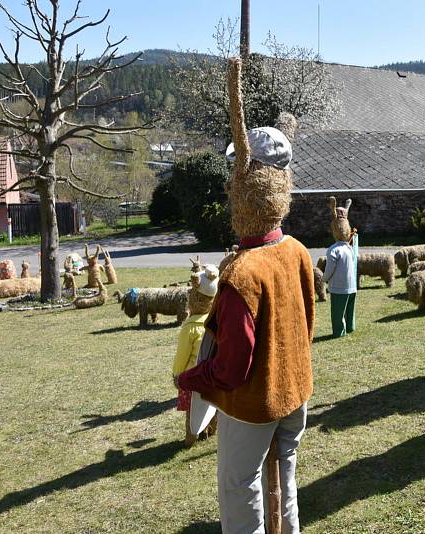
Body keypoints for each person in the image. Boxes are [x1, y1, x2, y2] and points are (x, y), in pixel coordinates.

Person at [177, 57, 314, 534]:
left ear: (242, 187)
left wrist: (195, 377)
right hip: (296, 391)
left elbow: (234, 366)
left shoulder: (242, 271)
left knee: (240, 486)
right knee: (288, 477)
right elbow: (306, 325)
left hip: (256, 402)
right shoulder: (295, 249)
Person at [172, 264, 219, 447]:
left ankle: (190, 438)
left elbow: (182, 355)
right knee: (212, 404)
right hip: (212, 375)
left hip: (192, 376)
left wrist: (177, 374)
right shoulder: (215, 323)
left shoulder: (190, 327)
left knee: (193, 409)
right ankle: (211, 430)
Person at [323, 197, 357, 337]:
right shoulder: (350, 248)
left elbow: (330, 268)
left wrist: (325, 278)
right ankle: (350, 326)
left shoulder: (333, 250)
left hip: (338, 287)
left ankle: (339, 331)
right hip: (352, 286)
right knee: (350, 309)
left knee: (337, 312)